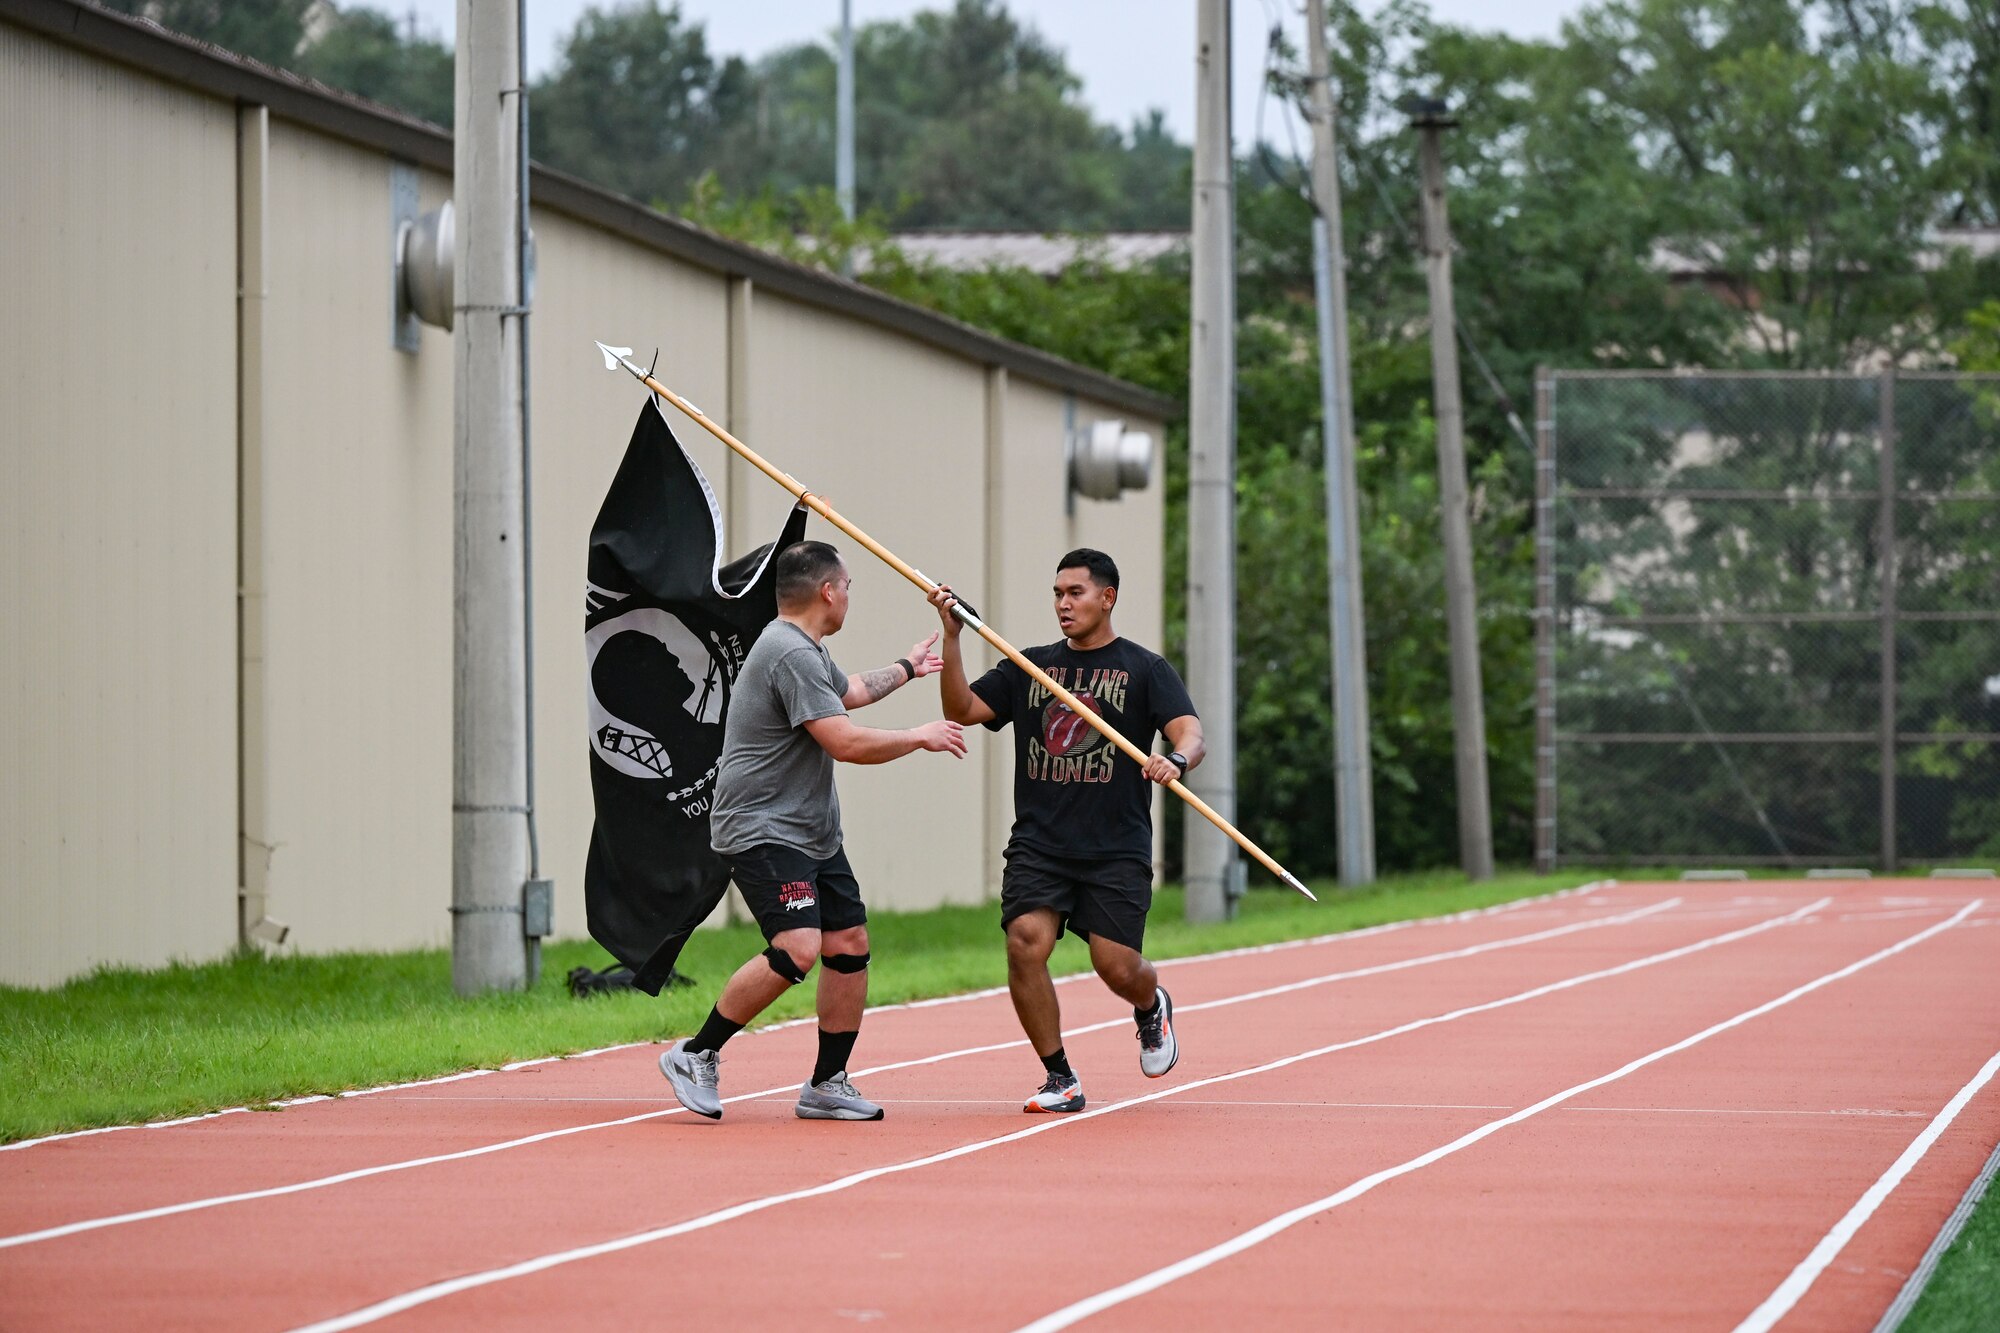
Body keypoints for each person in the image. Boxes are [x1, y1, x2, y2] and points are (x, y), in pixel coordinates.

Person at [659, 540, 966, 1122]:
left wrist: (908, 668)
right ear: (828, 591)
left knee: (848, 945)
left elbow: (847, 691)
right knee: (798, 947)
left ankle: (827, 1082)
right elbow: (845, 742)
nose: (849, 595)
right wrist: (919, 735)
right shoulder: (787, 652)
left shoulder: (805, 648)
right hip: (763, 829)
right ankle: (695, 1054)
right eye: (847, 585)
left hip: (812, 833)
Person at [928, 548, 1204, 1113]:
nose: (1063, 604)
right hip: (1041, 843)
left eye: (1075, 592)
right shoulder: (1028, 665)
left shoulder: (1144, 669)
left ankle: (1150, 1004)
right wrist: (953, 637)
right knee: (1025, 943)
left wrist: (1174, 761)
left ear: (1108, 597)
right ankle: (1060, 1078)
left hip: (1115, 848)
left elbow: (1190, 733)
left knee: (1116, 967)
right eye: (1057, 593)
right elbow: (961, 706)